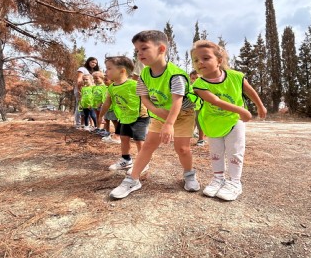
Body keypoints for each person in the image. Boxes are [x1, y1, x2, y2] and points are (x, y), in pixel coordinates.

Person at [109, 30, 200, 199]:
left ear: (161, 49)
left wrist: (169, 124)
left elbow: (177, 102)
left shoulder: (175, 74)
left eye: (144, 48)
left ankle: (189, 174)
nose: (139, 53)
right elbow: (144, 97)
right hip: (161, 114)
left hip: (182, 115)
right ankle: (133, 180)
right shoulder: (144, 73)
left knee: (182, 148)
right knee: (148, 145)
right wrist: (158, 113)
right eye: (137, 50)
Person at [191, 40, 267, 201]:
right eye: (196, 60)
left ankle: (234, 183)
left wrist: (260, 106)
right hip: (213, 122)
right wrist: (242, 110)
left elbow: (250, 91)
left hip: (234, 120)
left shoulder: (236, 76)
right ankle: (218, 178)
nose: (200, 63)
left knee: (235, 151)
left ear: (219, 60)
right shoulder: (199, 84)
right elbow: (215, 101)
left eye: (206, 58)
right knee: (216, 153)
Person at [98, 56, 150, 172]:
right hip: (125, 117)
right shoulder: (111, 87)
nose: (106, 71)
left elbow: (148, 97)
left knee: (138, 139)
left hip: (140, 116)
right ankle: (126, 160)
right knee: (124, 138)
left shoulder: (134, 84)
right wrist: (100, 115)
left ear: (122, 71)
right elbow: (107, 103)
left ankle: (143, 163)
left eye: (109, 68)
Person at [74, 57, 100, 128]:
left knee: (89, 109)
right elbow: (79, 79)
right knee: (79, 107)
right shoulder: (83, 69)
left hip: (90, 92)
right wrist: (79, 90)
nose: (94, 64)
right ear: (88, 62)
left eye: (95, 63)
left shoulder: (94, 71)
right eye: (92, 62)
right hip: (82, 90)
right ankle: (78, 124)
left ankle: (87, 125)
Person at [189, 70, 206, 146]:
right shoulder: (189, 87)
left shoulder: (203, 86)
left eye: (197, 78)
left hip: (201, 108)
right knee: (191, 124)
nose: (195, 80)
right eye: (193, 78)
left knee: (200, 124)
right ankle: (189, 136)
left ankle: (201, 139)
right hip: (191, 108)